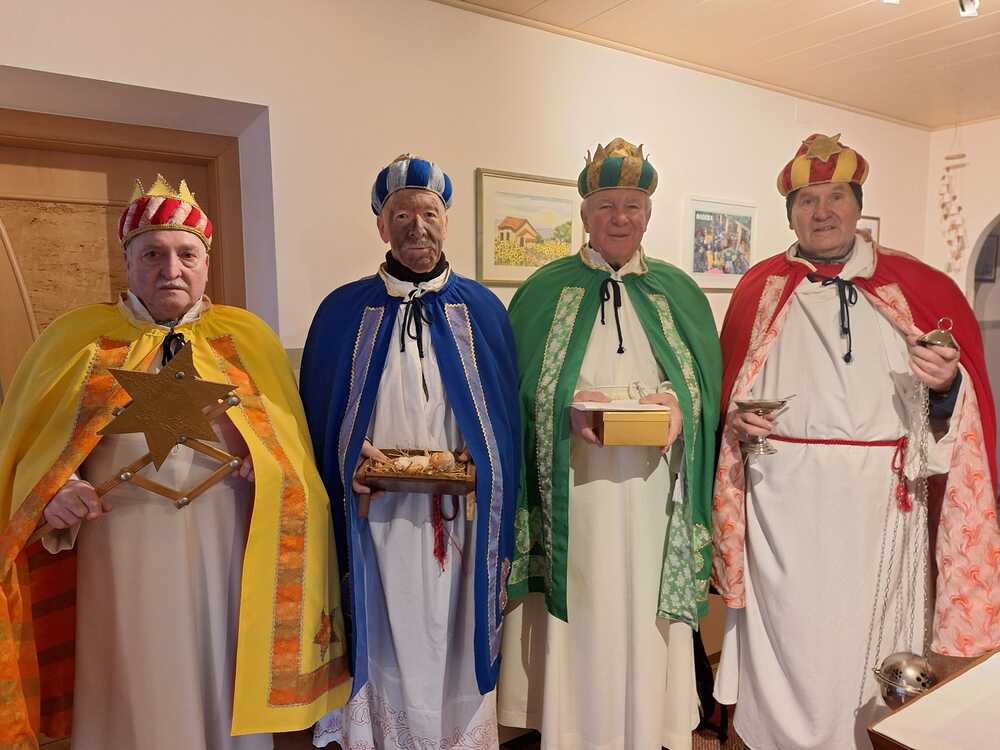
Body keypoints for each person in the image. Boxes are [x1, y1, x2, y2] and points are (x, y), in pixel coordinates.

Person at [0, 175, 351, 749]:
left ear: (206, 264)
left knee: (222, 664)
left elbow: (291, 453)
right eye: (152, 254)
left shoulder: (247, 339)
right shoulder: (78, 342)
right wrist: (58, 487)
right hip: (119, 542)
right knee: (132, 672)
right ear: (127, 262)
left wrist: (267, 467)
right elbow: (33, 450)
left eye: (187, 254)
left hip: (225, 541)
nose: (171, 269)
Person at [712, 133, 1000, 749]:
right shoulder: (760, 291)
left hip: (882, 507)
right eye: (807, 200)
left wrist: (947, 383)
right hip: (780, 504)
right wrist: (735, 421)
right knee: (791, 636)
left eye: (836, 196)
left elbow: (958, 411)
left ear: (858, 206)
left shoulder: (918, 287)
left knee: (872, 643)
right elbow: (727, 394)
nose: (822, 212)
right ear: (790, 213)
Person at [497, 138, 722, 750]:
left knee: (644, 608)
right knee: (588, 600)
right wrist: (564, 404)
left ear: (648, 214)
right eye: (606, 205)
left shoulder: (678, 291)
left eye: (632, 206)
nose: (620, 218)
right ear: (585, 214)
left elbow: (705, 387)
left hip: (654, 493)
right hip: (577, 490)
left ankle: (646, 729)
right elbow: (516, 390)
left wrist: (679, 408)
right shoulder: (544, 290)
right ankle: (574, 730)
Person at [299, 154, 520, 748]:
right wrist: (348, 462)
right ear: (381, 225)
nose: (416, 226)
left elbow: (503, 421)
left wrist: (481, 466)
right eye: (401, 215)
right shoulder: (342, 310)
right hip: (376, 516)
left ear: (446, 221)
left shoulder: (482, 309)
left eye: (428, 213)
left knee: (452, 632)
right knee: (386, 628)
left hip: (460, 517)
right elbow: (319, 418)